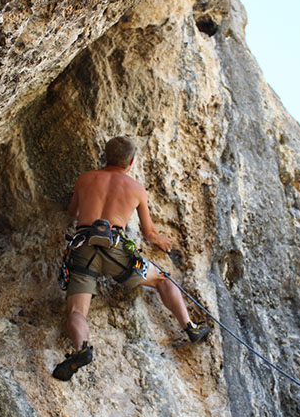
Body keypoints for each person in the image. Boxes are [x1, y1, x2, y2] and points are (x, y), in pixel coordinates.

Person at [52, 136, 211, 381]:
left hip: (84, 247)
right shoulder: (136, 189)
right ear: (132, 162)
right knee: (162, 279)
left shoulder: (85, 178)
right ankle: (190, 326)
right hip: (116, 250)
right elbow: (148, 233)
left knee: (77, 311)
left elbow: (72, 212)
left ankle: (81, 349)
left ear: (105, 156)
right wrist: (162, 241)